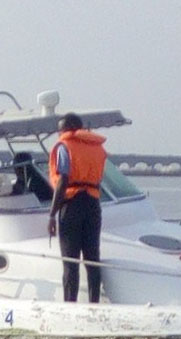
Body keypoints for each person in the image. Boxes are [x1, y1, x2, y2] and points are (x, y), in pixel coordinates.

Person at [47, 113, 108, 303]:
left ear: (68, 129)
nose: (59, 134)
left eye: (60, 130)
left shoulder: (64, 147)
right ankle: (94, 304)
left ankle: (70, 305)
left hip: (72, 205)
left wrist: (52, 214)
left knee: (71, 262)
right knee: (92, 259)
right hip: (93, 204)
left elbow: (63, 180)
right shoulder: (96, 147)